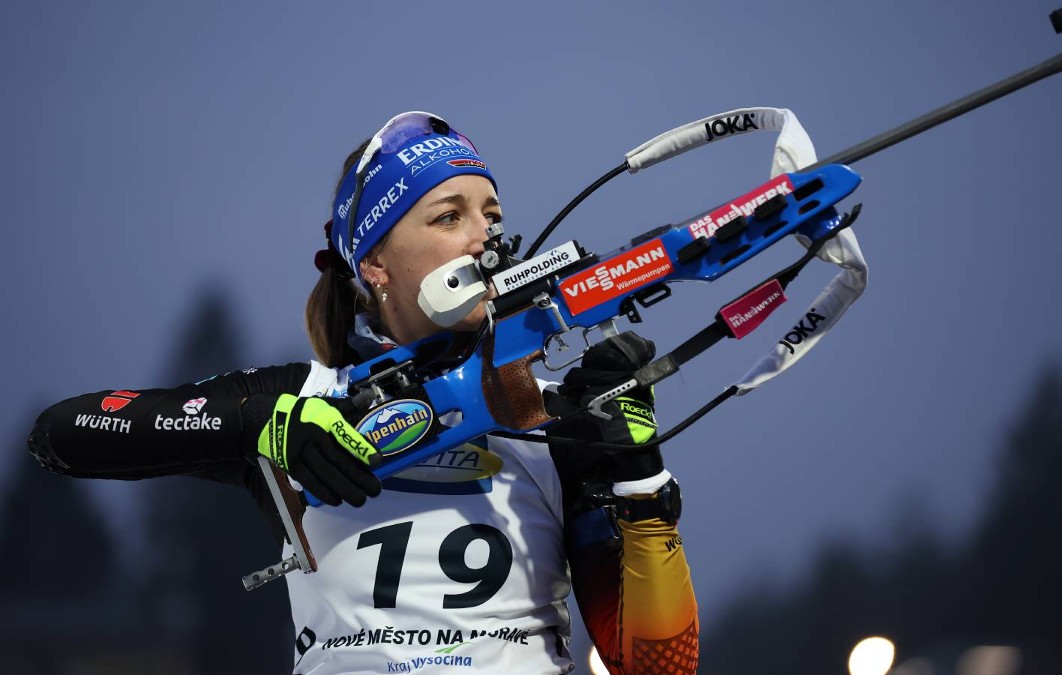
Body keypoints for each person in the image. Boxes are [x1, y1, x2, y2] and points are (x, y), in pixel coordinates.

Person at [27, 111, 699, 674]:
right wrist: (264, 424)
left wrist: (641, 478)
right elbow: (66, 430)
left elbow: (660, 664)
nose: (483, 234)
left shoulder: (552, 413)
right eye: (447, 216)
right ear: (375, 261)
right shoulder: (305, 397)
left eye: (491, 213)